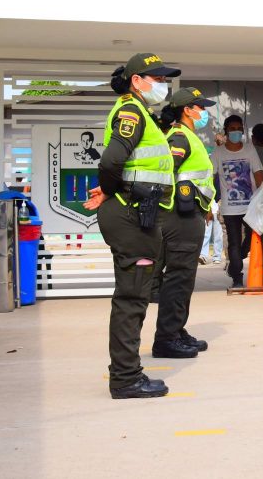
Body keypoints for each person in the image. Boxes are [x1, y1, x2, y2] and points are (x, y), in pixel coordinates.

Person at [83, 52, 179, 399]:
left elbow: (126, 165)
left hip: (135, 212)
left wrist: (114, 189)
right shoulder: (131, 111)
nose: (163, 85)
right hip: (131, 215)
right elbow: (111, 160)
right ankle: (125, 378)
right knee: (132, 297)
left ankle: (126, 373)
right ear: (137, 81)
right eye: (158, 78)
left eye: (165, 80)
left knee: (133, 296)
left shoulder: (141, 112)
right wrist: (115, 190)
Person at [152, 87, 217, 358]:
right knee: (178, 278)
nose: (203, 112)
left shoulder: (188, 136)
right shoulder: (179, 137)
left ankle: (176, 331)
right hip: (179, 215)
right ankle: (166, 338)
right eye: (199, 107)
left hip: (189, 213)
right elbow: (167, 171)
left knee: (184, 278)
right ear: (187, 110)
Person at [211, 114, 263, 288]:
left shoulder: (249, 149)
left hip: (251, 205)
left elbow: (258, 173)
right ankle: (237, 277)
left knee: (249, 239)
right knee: (233, 240)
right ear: (225, 131)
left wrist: (262, 195)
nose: (236, 132)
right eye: (232, 129)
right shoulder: (218, 152)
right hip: (229, 208)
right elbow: (211, 176)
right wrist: (209, 200)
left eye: (239, 128)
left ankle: (236, 261)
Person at [199, 198, 223, 264]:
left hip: (219, 209)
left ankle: (217, 256)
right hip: (208, 209)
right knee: (205, 234)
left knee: (218, 235)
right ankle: (203, 255)